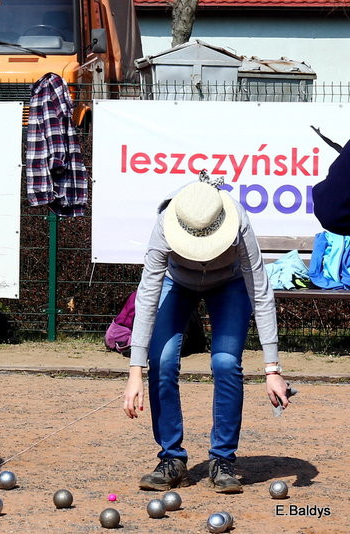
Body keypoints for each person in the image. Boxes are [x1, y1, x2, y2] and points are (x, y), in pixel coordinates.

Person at [122, 173, 290, 494]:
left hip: (229, 284)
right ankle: (172, 459)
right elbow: (147, 293)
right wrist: (134, 370)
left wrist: (272, 368)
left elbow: (260, 289)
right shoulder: (164, 223)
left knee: (226, 363)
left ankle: (223, 460)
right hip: (178, 283)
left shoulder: (238, 221)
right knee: (162, 361)